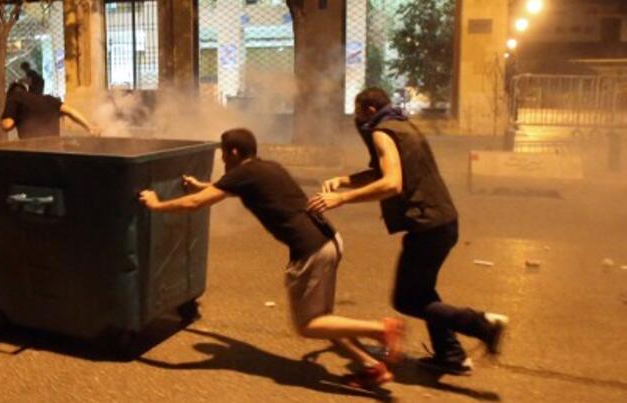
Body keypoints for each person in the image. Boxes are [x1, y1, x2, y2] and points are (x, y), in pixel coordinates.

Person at [139, 128, 405, 389]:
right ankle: (372, 366)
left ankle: (380, 329)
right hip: (329, 240)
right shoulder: (266, 168)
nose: (222, 161)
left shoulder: (243, 173)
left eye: (223, 156)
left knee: (309, 324)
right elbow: (232, 189)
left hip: (311, 250)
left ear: (233, 152)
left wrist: (156, 204)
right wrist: (202, 186)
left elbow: (194, 204)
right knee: (325, 319)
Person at [308, 87, 509, 375]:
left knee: (406, 299)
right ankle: (450, 354)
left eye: (356, 113)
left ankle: (483, 325)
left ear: (366, 110)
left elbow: (391, 183)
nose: (356, 121)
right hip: (441, 221)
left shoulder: (381, 132)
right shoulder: (401, 125)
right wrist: (345, 180)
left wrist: (341, 198)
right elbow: (383, 172)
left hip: (428, 226)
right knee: (423, 291)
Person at [0, 82, 98, 139]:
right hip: (54, 149)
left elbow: (7, 124)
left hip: (32, 152)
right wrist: (89, 127)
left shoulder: (13, 97)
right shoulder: (49, 99)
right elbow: (71, 111)